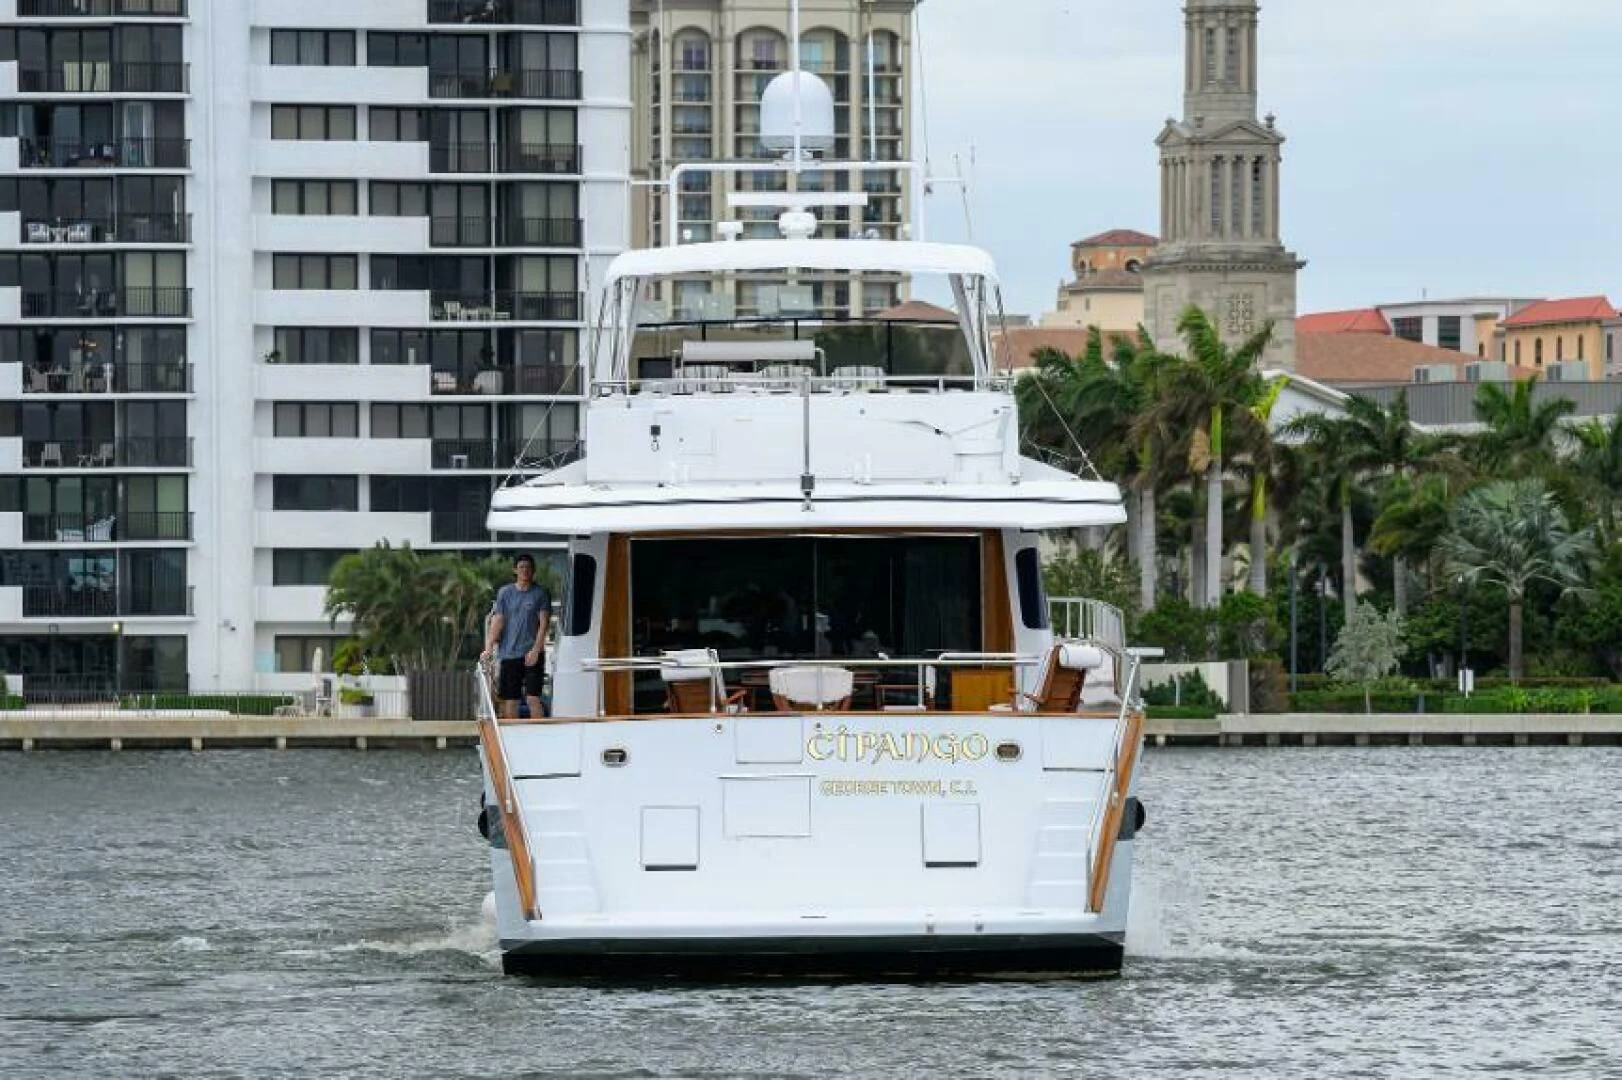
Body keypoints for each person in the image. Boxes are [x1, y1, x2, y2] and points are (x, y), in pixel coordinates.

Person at [482, 553, 552, 719]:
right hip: (509, 653)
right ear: (515, 570)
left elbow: (544, 624)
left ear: (533, 570)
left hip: (532, 653)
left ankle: (539, 731)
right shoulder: (505, 593)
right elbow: (498, 620)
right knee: (510, 700)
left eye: (528, 567)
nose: (525, 571)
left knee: (533, 698)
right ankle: (512, 733)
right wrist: (488, 647)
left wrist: (536, 650)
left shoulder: (541, 593)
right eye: (521, 567)